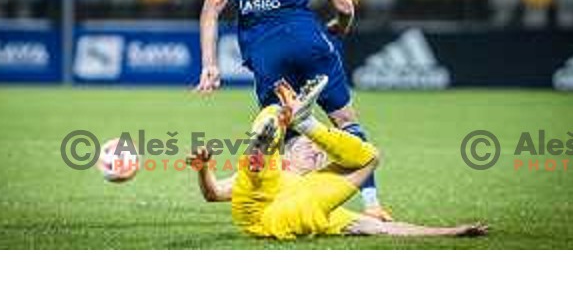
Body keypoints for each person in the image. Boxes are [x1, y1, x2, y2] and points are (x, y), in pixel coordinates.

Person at [196, 0, 389, 219]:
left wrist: (209, 65)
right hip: (308, 39)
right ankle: (372, 205)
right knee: (346, 122)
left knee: (275, 129)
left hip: (266, 51)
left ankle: (276, 196)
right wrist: (339, 30)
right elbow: (344, 6)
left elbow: (211, 8)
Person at [191, 76, 487, 240]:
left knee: (370, 156)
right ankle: (277, 125)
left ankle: (298, 123)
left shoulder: (321, 194)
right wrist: (204, 170)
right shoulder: (279, 169)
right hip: (256, 205)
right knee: (267, 134)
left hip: (288, 217)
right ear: (289, 151)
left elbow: (383, 228)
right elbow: (214, 193)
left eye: (318, 153)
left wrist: (452, 231)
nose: (314, 151)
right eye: (307, 145)